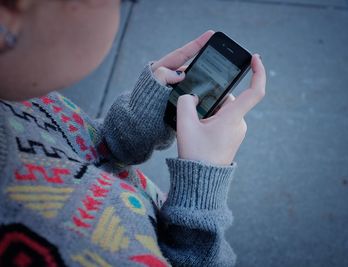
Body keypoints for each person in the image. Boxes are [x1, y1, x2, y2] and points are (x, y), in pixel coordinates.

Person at [0, 0, 266, 266]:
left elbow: (81, 153)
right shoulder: (67, 245)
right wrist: (202, 184)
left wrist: (137, 119)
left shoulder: (13, 94)